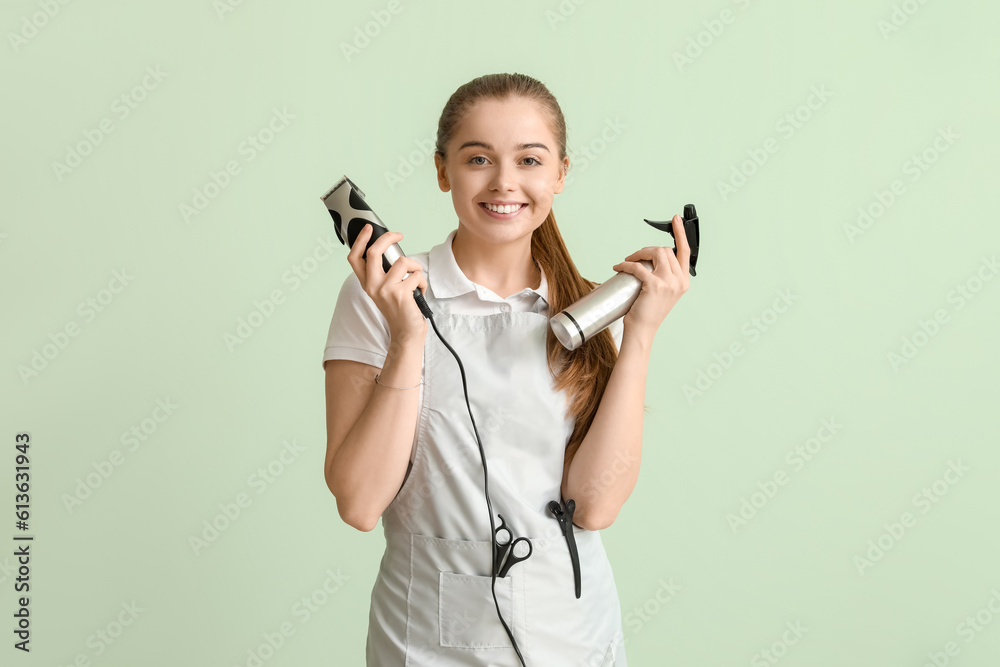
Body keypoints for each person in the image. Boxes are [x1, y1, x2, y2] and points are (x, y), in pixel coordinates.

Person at [322, 72, 691, 666]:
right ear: (442, 171)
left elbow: (595, 507)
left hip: (573, 638)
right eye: (478, 159)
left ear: (561, 174)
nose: (504, 183)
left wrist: (641, 333)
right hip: (425, 643)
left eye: (529, 160)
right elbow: (360, 503)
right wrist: (409, 337)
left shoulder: (594, 314)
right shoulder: (382, 296)